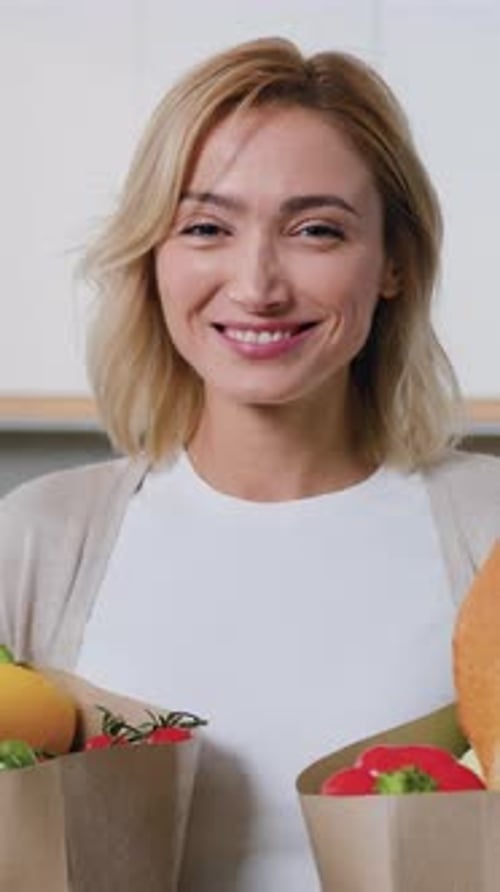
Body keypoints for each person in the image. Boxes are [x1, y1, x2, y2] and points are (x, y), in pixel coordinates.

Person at [1, 36, 500, 892]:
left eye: (316, 230)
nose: (258, 283)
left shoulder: (488, 533)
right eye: (205, 227)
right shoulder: (37, 542)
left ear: (394, 263)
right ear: (153, 257)